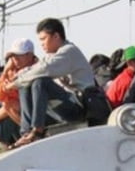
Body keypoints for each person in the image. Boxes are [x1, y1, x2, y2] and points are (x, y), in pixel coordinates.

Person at [7, 18, 95, 146]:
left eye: (43, 39)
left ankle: (37, 130)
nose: (41, 44)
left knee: (40, 82)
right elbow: (35, 68)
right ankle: (26, 132)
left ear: (56, 36)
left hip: (79, 107)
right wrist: (17, 78)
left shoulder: (69, 51)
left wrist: (15, 82)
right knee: (25, 84)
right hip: (62, 107)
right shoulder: (51, 55)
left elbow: (45, 69)